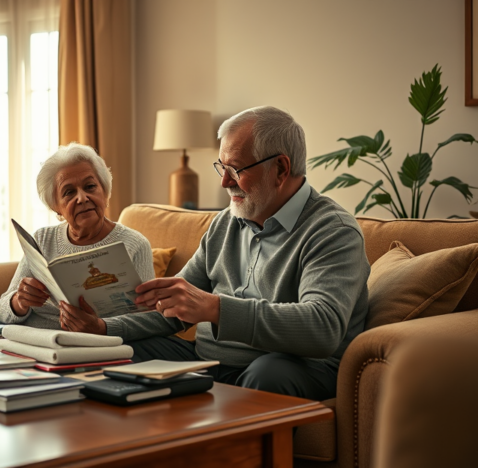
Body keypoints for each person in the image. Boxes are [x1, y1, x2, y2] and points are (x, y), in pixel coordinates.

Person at [62, 106, 370, 401]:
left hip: (295, 366)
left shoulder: (333, 230)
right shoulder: (227, 222)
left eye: (235, 169)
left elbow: (323, 326)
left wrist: (216, 308)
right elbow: (173, 306)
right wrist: (104, 329)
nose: (224, 182)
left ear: (280, 168)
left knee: (268, 373)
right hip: (209, 361)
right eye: (222, 167)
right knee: (116, 355)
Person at [0, 142, 155, 329]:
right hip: (31, 337)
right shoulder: (43, 239)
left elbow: (147, 319)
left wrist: (100, 325)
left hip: (89, 344)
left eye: (90, 187)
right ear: (56, 207)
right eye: (69, 192)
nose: (82, 198)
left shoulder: (135, 244)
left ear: (105, 193)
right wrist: (19, 302)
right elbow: (1, 310)